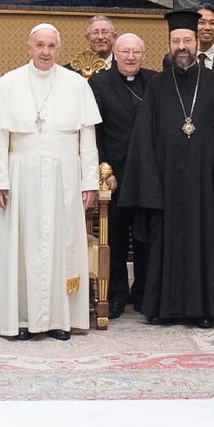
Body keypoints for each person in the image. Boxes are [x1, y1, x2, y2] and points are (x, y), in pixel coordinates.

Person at [120, 9, 214, 327]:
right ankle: (165, 308)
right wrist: (149, 183)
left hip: (205, 185)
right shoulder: (157, 85)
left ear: (196, 44)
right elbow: (144, 140)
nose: (181, 46)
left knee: (206, 244)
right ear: (169, 43)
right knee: (167, 244)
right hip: (167, 183)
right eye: (176, 40)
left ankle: (205, 308)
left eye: (187, 40)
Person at [0, 24, 101, 339]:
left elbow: (87, 141)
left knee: (62, 246)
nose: (45, 52)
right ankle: (19, 319)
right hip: (21, 177)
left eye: (51, 46)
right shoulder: (8, 83)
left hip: (65, 177)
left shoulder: (77, 84)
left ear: (58, 49)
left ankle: (59, 320)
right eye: (39, 45)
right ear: (29, 47)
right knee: (22, 247)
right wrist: (0, 182)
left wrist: (90, 183)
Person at [88, 31, 157, 316]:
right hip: (114, 176)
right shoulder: (99, 83)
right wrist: (104, 171)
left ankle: (142, 294)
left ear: (143, 55)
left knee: (145, 238)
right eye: (125, 52)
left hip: (147, 175)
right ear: (115, 54)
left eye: (136, 52)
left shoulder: (154, 82)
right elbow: (94, 132)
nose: (130, 57)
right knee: (114, 239)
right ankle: (115, 295)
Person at [163, 5, 214, 81]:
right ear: (192, 26)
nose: (207, 28)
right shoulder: (172, 58)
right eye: (201, 22)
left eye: (212, 23)